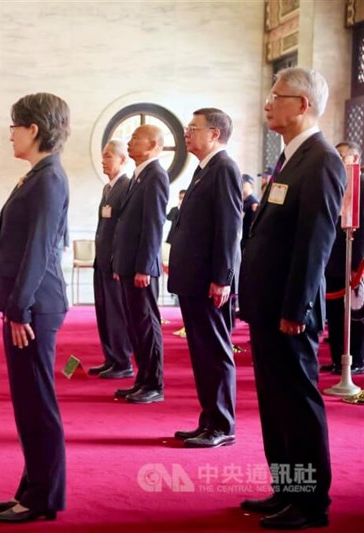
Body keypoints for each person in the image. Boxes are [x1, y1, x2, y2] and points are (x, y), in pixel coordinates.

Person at [238, 67, 344, 530]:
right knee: (275, 402)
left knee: (297, 404)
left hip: (290, 311)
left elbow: (315, 243)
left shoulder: (321, 160)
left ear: (301, 105)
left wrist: (296, 307)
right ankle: (286, 488)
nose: (267, 103)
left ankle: (310, 503)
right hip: (269, 306)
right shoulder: (289, 158)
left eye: (276, 96)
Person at [0, 92, 70, 523]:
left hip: (35, 308)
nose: (10, 136)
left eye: (14, 127)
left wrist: (19, 308)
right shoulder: (37, 174)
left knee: (38, 403)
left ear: (34, 129)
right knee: (27, 403)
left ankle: (44, 498)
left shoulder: (49, 178)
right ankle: (31, 486)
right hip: (27, 306)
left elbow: (39, 250)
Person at [168, 108, 242, 448]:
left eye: (193, 128)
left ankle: (222, 425)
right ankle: (208, 420)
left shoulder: (224, 168)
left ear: (214, 134)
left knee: (215, 352)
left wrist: (223, 277)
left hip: (210, 282)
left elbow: (229, 227)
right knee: (201, 353)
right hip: (194, 280)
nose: (186, 133)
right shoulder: (204, 169)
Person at [112, 125, 168, 403]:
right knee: (134, 324)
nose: (130, 142)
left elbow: (153, 225)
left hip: (141, 267)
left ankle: (154, 383)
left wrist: (144, 267)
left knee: (146, 324)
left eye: (136, 138)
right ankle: (142, 379)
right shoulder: (139, 175)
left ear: (153, 144)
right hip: (128, 263)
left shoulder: (156, 175)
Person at [87, 140, 134, 379]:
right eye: (103, 156)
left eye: (108, 157)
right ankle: (110, 358)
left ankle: (122, 360)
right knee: (104, 311)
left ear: (123, 160)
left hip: (115, 263)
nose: (103, 161)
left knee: (116, 312)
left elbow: (123, 230)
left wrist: (118, 260)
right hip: (102, 261)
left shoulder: (126, 187)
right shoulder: (108, 188)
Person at [322, 141, 364, 375]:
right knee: (335, 314)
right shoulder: (335, 185)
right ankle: (339, 359)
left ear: (355, 160)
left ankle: (355, 359)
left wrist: (357, 265)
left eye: (342, 156)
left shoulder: (361, 187)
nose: (337, 160)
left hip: (353, 263)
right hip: (332, 259)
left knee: (354, 315)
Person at [241, 175, 259, 250]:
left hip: (247, 239)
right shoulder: (243, 201)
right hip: (242, 237)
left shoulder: (253, 202)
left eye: (244, 183)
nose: (242, 184)